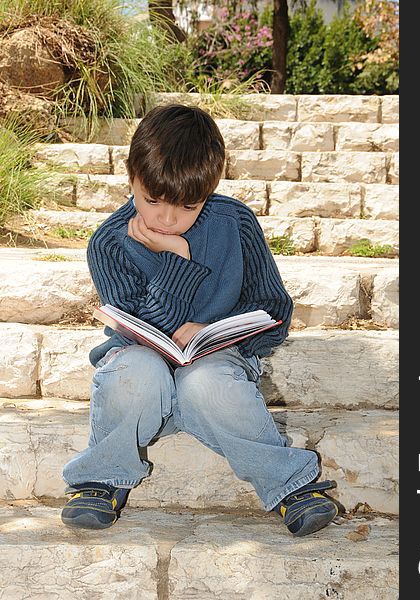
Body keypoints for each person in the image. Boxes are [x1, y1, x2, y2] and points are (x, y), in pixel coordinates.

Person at [61, 104, 339, 536]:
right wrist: (176, 261)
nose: (167, 218)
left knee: (208, 382)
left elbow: (275, 311)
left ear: (209, 191)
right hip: (142, 385)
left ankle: (289, 484)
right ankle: (101, 478)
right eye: (152, 200)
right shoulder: (109, 244)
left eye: (188, 206)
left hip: (214, 376)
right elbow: (139, 320)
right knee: (135, 369)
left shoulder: (235, 223)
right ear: (130, 176)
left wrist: (223, 339)